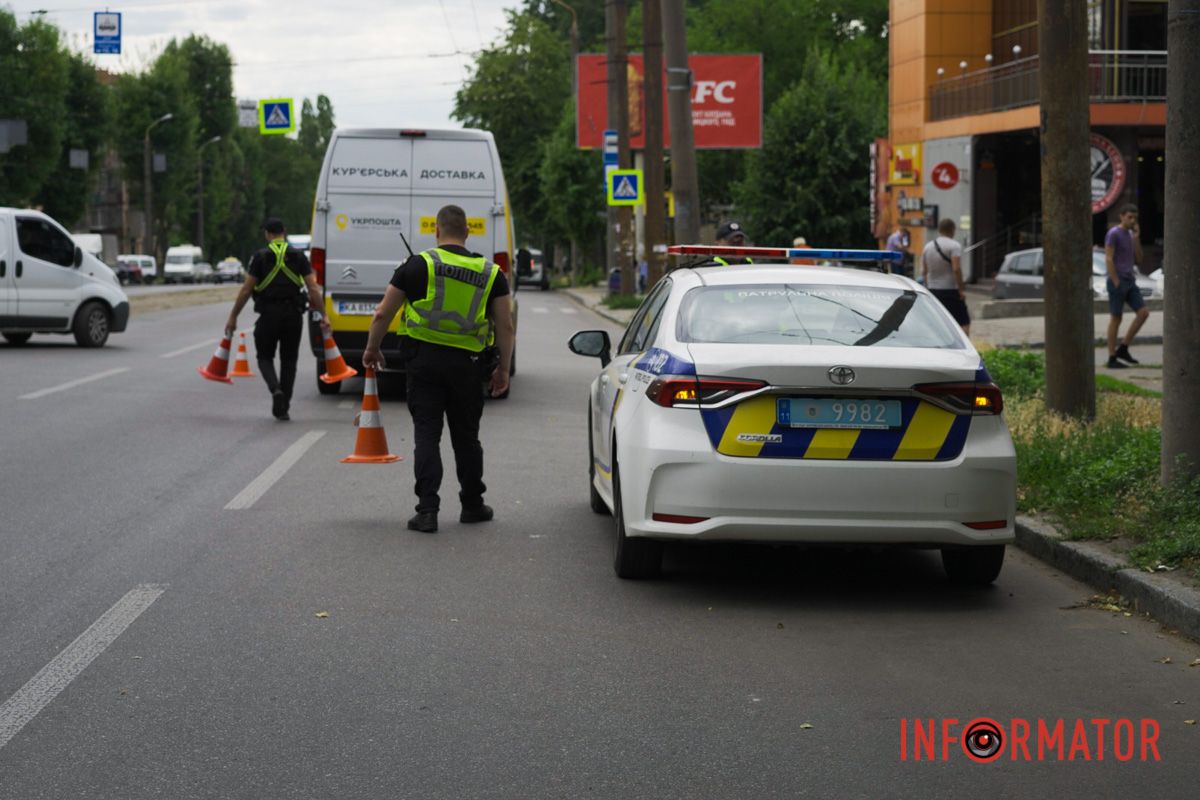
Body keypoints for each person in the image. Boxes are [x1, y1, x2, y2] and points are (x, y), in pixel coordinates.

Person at [362, 204, 515, 534]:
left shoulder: (417, 265)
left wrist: (372, 348)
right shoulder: (491, 273)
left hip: (424, 364)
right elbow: (506, 325)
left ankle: (427, 511)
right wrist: (502, 369)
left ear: (436, 231)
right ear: (467, 232)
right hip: (468, 366)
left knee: (427, 435)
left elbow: (382, 313)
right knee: (467, 438)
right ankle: (472, 505)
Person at [225, 218, 326, 420]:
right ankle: (284, 405)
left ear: (267, 234)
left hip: (269, 315)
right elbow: (313, 288)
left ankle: (275, 389)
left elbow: (246, 290)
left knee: (264, 357)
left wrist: (233, 316)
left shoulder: (260, 257)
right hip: (293, 315)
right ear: (284, 232)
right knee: (289, 360)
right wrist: (324, 315)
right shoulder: (298, 256)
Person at [1104, 204, 1148, 368]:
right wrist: (1116, 282)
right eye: (1129, 217)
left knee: (1143, 313)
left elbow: (1139, 259)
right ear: (1121, 216)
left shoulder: (1130, 235)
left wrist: (1136, 238)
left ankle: (1123, 348)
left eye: (1135, 218)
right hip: (1117, 281)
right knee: (1116, 318)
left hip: (1130, 281)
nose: (1132, 220)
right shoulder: (1113, 233)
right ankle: (1112, 357)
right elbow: (1108, 258)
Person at [921, 218, 970, 335]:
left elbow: (924, 271)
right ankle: (964, 344)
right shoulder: (954, 246)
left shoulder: (927, 247)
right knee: (964, 322)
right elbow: (956, 269)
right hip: (950, 290)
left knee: (938, 322)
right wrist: (961, 289)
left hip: (933, 290)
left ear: (939, 230)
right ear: (953, 230)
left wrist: (928, 287)